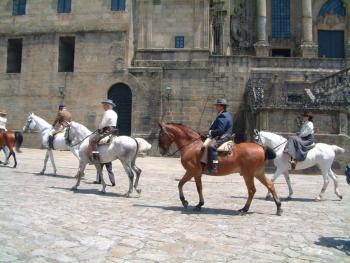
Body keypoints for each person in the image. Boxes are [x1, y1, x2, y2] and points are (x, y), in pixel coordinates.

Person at [201, 98, 233, 174]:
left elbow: (220, 130)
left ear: (221, 107)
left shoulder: (223, 116)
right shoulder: (224, 114)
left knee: (211, 146)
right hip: (221, 135)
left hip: (224, 137)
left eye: (217, 106)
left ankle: (214, 167)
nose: (216, 107)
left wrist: (210, 132)